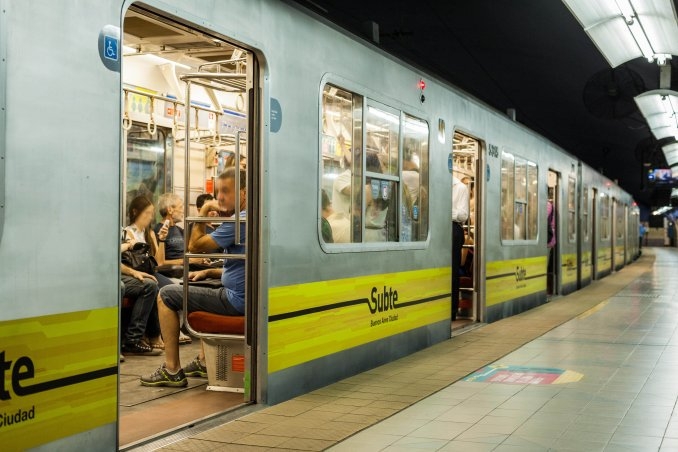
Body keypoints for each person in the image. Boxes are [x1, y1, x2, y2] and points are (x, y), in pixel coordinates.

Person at [141, 167, 246, 387]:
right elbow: (244, 266)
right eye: (218, 193)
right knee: (205, 284)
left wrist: (206, 208)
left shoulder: (239, 222)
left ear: (244, 193)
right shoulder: (250, 217)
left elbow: (195, 246)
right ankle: (202, 361)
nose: (220, 198)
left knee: (166, 294)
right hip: (243, 295)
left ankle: (172, 369)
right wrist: (210, 271)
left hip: (236, 301)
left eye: (226, 191)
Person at [120, 236, 161, 356]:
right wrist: (128, 245)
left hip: (114, 270)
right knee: (120, 286)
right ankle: (113, 343)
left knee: (150, 285)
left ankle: (133, 340)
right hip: (98, 273)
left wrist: (134, 272)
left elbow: (112, 260)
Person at [451, 173, 470, 320]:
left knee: (452, 270)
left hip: (454, 229)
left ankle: (452, 310)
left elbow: (463, 215)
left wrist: (446, 212)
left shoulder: (460, 187)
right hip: (440, 227)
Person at [365, 152, 389, 242]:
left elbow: (356, 214)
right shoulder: (385, 186)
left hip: (367, 235)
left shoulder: (368, 189)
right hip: (381, 233)